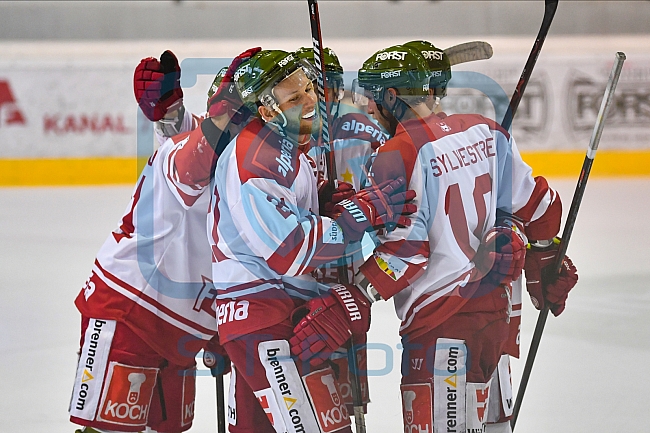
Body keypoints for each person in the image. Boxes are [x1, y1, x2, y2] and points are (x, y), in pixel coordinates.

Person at [347, 43, 578, 433]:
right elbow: (543, 211)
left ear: (390, 96)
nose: (368, 109)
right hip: (497, 318)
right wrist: (544, 252)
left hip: (440, 325)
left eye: (371, 98)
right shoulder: (487, 131)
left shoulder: (395, 153)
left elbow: (407, 255)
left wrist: (355, 296)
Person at [197, 49, 417, 433]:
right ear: (266, 110)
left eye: (308, 87)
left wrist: (322, 196)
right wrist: (356, 217)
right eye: (294, 96)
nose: (310, 99)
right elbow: (289, 250)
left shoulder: (282, 146)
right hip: (267, 317)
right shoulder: (255, 157)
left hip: (271, 313)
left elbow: (285, 209)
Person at [68, 49, 256, 433]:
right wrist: (169, 108)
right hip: (131, 311)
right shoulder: (191, 150)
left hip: (181, 332)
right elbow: (191, 142)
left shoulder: (262, 168)